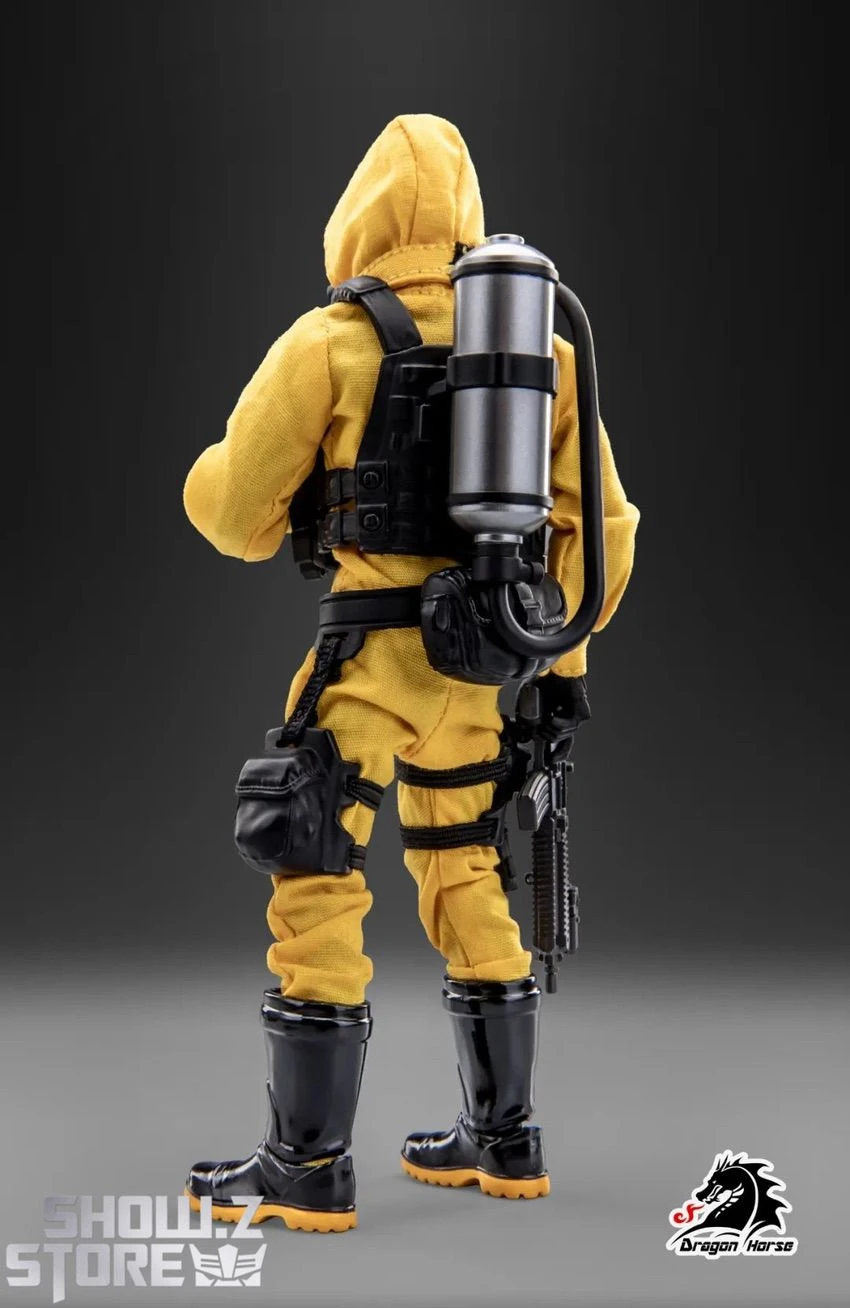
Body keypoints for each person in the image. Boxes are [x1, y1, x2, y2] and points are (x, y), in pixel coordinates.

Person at [182, 113, 639, 1233]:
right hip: (481, 671)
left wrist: (222, 474)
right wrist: (558, 666)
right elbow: (605, 530)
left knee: (318, 873)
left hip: (370, 668)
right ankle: (505, 1138)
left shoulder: (329, 341)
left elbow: (233, 516)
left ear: (361, 217)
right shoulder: (539, 355)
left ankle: (308, 1161)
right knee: (466, 870)